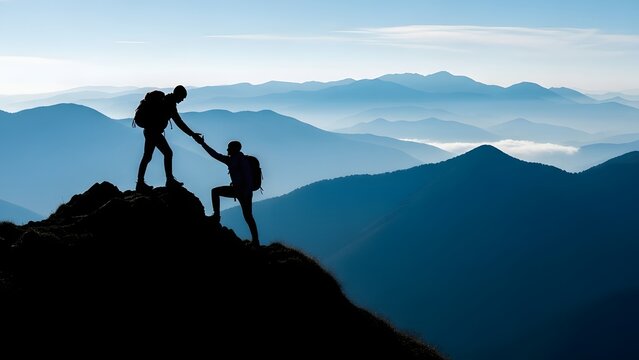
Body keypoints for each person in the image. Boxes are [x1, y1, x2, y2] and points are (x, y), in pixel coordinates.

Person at [136, 85, 203, 191]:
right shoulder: (170, 104)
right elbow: (179, 122)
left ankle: (140, 182)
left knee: (147, 157)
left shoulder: (165, 100)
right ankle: (169, 180)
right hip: (154, 132)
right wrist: (192, 134)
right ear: (178, 94)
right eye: (182, 97)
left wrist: (192, 134)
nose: (182, 100)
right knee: (167, 153)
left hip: (150, 131)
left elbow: (178, 121)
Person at [195, 138, 259, 246]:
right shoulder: (234, 159)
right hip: (242, 191)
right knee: (248, 216)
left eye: (229, 148)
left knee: (216, 192)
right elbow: (215, 155)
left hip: (242, 191)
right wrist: (203, 144)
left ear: (234, 149)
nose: (227, 149)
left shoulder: (238, 160)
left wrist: (203, 144)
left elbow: (247, 177)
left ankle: (216, 216)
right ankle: (255, 240)